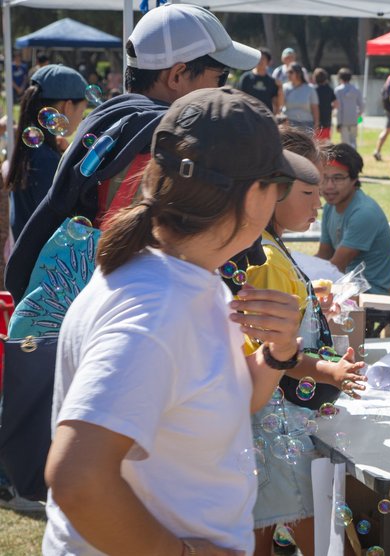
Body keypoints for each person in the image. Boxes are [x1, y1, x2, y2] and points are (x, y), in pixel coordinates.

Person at [42, 86, 327, 556]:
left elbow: (233, 398)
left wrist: (279, 353)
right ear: (252, 196)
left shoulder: (191, 277)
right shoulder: (156, 310)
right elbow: (77, 479)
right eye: (277, 186)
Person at [0, 3, 260, 505]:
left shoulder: (113, 119)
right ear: (179, 74)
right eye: (219, 74)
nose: (226, 88)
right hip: (134, 348)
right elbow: (154, 259)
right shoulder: (156, 144)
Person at [227, 126, 366, 556]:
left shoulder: (271, 248)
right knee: (305, 528)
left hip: (278, 420)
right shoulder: (266, 256)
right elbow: (275, 353)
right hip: (274, 421)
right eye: (309, 191)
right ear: (274, 191)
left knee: (267, 524)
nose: (321, 200)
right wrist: (330, 370)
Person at [3, 65, 88, 241]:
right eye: (83, 110)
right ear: (67, 106)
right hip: (41, 263)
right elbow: (59, 223)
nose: (82, 118)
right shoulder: (45, 160)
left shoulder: (33, 151)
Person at [316, 144, 390, 295]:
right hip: (344, 284)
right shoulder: (329, 208)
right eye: (323, 178)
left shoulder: (364, 213)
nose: (329, 186)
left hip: (369, 292)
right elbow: (323, 255)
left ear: (354, 179)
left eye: (337, 178)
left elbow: (336, 266)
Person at [237, 47, 282, 114]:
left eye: (263, 59)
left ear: (268, 62)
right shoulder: (246, 78)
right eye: (258, 58)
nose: (260, 61)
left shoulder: (272, 81)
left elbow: (276, 103)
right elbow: (239, 98)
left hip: (266, 118)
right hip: (248, 116)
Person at [281, 63, 319, 131]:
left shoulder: (310, 89)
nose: (288, 74)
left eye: (291, 72)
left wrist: (316, 124)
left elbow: (315, 108)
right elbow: (280, 105)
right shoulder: (284, 88)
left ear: (298, 73)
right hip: (289, 124)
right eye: (287, 72)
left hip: (306, 124)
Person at [334, 67, 363, 149]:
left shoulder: (338, 90)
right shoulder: (356, 89)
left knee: (345, 142)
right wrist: (358, 115)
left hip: (343, 119)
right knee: (353, 140)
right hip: (354, 118)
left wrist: (338, 122)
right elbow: (362, 105)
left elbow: (339, 108)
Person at [312, 68, 337, 142]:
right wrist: (330, 108)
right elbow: (336, 103)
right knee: (325, 142)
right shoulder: (329, 89)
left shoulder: (313, 90)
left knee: (315, 141)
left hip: (314, 119)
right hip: (327, 119)